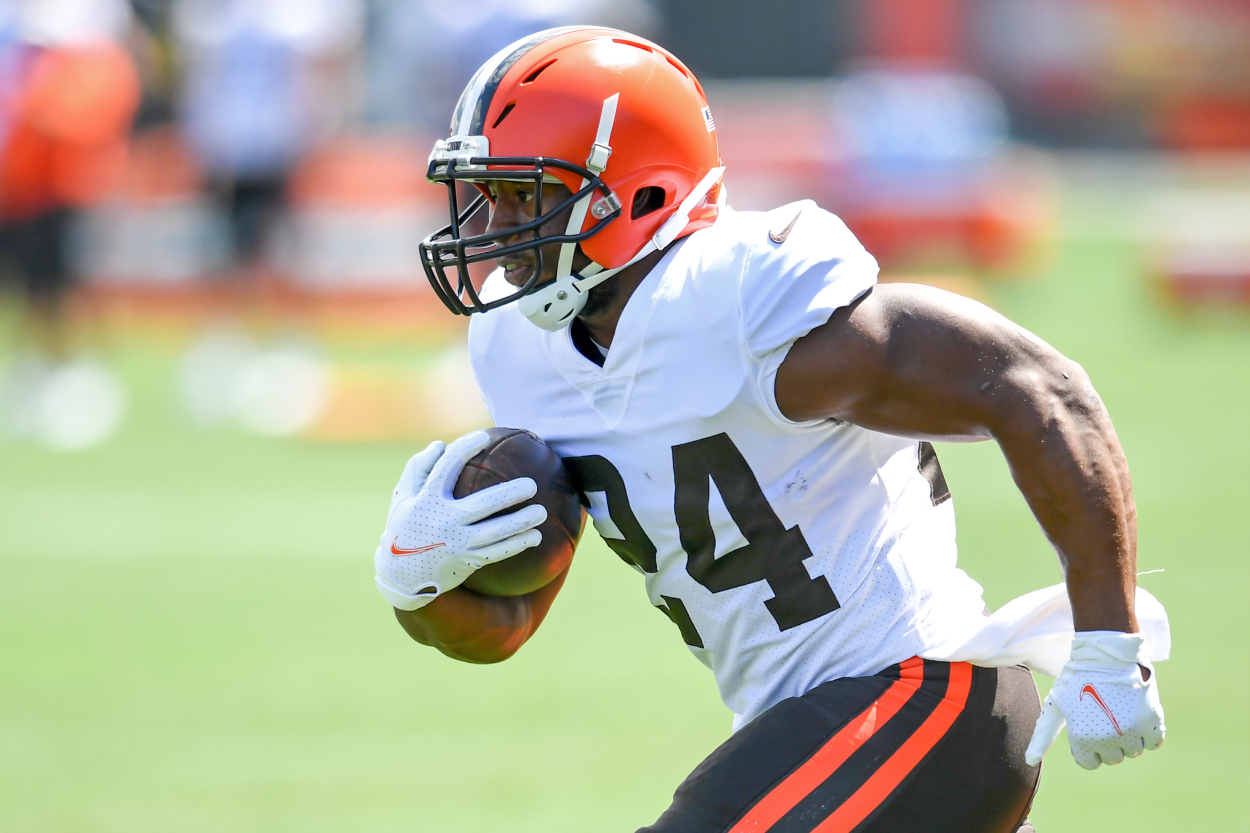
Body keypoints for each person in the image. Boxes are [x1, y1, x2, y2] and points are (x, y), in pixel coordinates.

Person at [373, 28, 1168, 833]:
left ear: (639, 193)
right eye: (489, 195)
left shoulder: (740, 297)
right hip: (816, 741)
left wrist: (1107, 637)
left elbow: (1039, 388)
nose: (493, 232)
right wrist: (419, 583)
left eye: (525, 195)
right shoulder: (520, 350)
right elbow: (502, 624)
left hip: (928, 695)